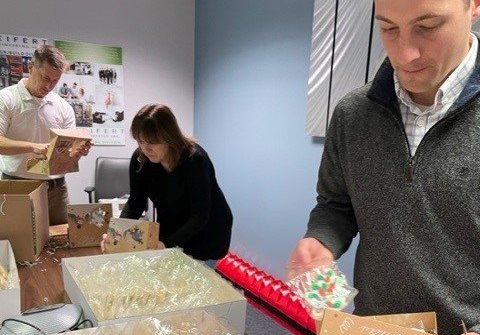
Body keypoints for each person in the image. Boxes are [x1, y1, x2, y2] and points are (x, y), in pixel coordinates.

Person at [287, 0, 480, 334]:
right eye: (389, 28)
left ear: (473, 5)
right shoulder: (352, 114)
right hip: (372, 324)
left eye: (428, 26)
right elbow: (336, 204)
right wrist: (322, 239)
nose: (405, 54)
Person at [119, 103, 233, 261]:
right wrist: (116, 232)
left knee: (196, 278)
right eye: (140, 141)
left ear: (168, 136)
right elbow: (135, 203)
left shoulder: (195, 160)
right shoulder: (141, 159)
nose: (146, 149)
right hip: (172, 225)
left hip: (207, 231)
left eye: (152, 142)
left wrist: (166, 243)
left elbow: (200, 216)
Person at [0, 45, 91, 225]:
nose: (49, 85)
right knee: (19, 244)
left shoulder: (64, 107)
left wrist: (77, 151)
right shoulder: (6, 99)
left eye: (55, 81)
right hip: (17, 187)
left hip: (56, 190)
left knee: (63, 243)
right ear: (31, 67)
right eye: (45, 78)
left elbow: (68, 153)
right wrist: (34, 147)